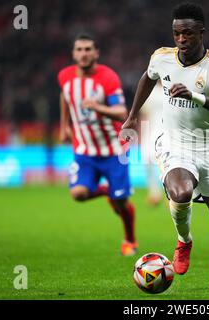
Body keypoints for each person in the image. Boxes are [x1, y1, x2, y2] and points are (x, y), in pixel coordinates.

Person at [122, 2, 209, 289]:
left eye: (188, 33)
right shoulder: (162, 58)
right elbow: (147, 79)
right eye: (177, 34)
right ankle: (184, 240)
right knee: (181, 191)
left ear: (202, 33)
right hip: (174, 140)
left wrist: (195, 96)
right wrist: (132, 115)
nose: (182, 40)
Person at [58, 33, 137, 256]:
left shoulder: (108, 78)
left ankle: (130, 239)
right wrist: (65, 125)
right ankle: (105, 191)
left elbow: (122, 112)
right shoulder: (65, 77)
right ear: (74, 54)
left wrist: (96, 106)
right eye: (79, 49)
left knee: (121, 203)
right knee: (79, 194)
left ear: (96, 53)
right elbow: (65, 97)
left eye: (88, 49)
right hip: (85, 151)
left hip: (114, 150)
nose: (83, 54)